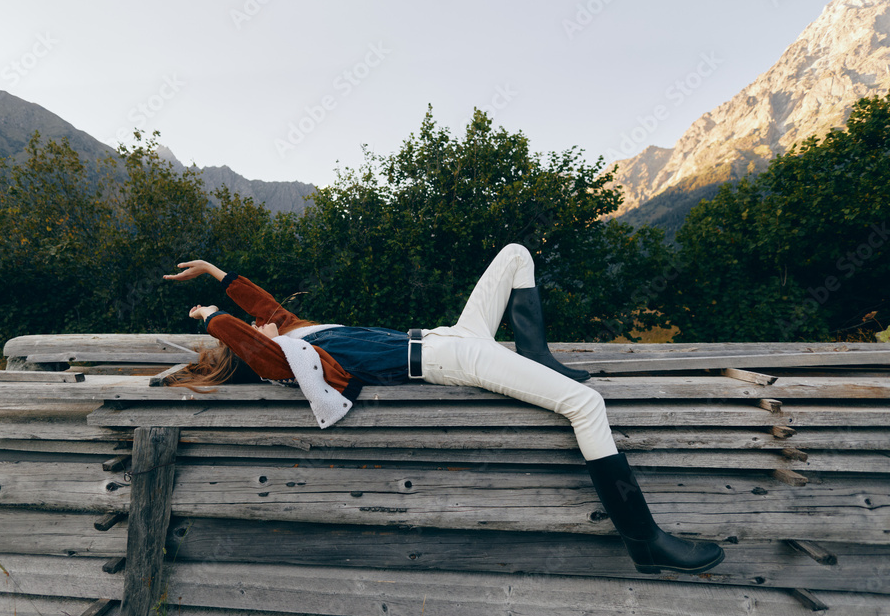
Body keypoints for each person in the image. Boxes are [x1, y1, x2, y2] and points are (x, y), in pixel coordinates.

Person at [162, 244, 724, 575]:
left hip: (450, 334)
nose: (262, 322)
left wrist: (212, 271)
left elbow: (264, 306)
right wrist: (211, 319)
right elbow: (254, 341)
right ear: (248, 347)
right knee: (587, 404)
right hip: (448, 360)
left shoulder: (294, 330)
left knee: (516, 254)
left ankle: (537, 354)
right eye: (252, 330)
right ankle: (644, 539)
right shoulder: (290, 360)